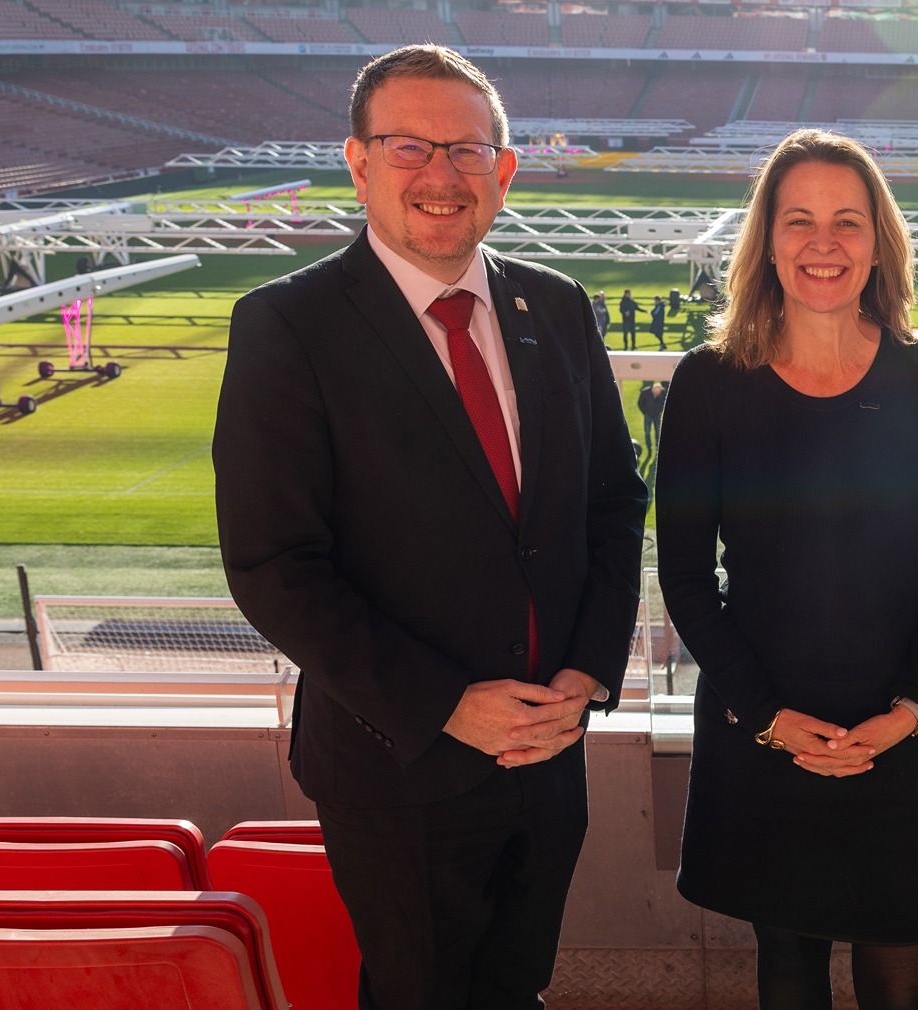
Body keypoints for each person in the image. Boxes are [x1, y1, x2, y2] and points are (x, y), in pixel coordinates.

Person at [212, 44, 647, 1010]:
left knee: (516, 988)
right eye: (409, 147)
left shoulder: (560, 307)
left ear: (507, 169)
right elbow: (274, 564)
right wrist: (448, 701)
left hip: (548, 750)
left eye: (467, 149)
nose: (442, 175)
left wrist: (586, 673)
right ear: (358, 163)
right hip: (398, 765)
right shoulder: (289, 325)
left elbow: (615, 505)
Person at [656, 128, 918, 1010]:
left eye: (847, 220)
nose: (824, 243)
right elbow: (686, 579)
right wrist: (767, 717)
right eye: (798, 220)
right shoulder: (708, 383)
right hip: (761, 727)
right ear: (766, 239)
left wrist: (908, 711)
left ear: (879, 239)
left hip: (903, 732)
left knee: (899, 989)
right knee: (789, 977)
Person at [636, 380, 665, 477]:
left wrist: (659, 412)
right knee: (647, 433)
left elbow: (663, 405)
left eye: (659, 391)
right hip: (648, 416)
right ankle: (649, 448)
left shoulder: (661, 395)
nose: (658, 393)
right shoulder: (646, 392)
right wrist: (645, 412)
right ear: (653, 390)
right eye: (656, 391)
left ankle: (658, 448)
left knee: (658, 432)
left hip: (657, 417)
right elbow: (640, 403)